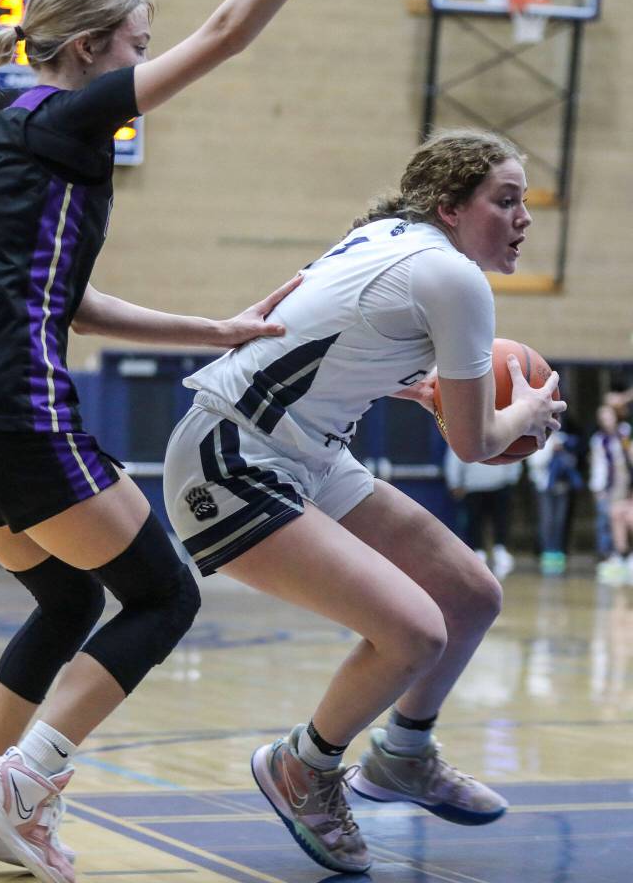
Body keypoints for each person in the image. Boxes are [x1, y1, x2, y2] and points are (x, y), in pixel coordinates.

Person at [0, 0, 427, 882]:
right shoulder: (64, 118)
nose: (144, 62)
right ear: (90, 50)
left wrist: (215, 329)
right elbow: (228, 33)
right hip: (14, 413)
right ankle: (19, 787)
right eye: (137, 46)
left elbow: (70, 301)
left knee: (68, 603)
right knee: (162, 597)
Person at [163, 128, 565, 875]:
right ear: (449, 208)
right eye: (505, 200)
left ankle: (403, 755)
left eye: (524, 202)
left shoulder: (388, 239)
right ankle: (303, 765)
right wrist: (528, 414)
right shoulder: (454, 277)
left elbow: (328, 334)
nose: (523, 218)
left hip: (306, 450)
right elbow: (476, 443)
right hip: (232, 460)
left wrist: (400, 381)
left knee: (469, 595)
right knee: (414, 633)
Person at [443, 449, 520, 578]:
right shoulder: (463, 436)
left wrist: (512, 478)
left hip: (500, 484)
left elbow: (514, 452)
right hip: (473, 486)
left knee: (501, 520)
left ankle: (500, 550)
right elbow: (455, 454)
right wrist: (455, 483)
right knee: (474, 522)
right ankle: (478, 551)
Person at [526, 423, 583, 575]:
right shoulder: (536, 439)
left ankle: (558, 551)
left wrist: (563, 450)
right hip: (544, 487)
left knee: (559, 520)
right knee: (547, 519)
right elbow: (535, 463)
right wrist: (551, 449)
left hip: (562, 487)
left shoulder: (564, 439)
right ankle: (547, 551)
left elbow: (572, 461)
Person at [590, 404, 633, 583]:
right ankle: (617, 556)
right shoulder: (599, 439)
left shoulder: (624, 433)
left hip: (625, 482)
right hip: (610, 485)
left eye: (608, 416)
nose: (606, 420)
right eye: (602, 417)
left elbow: (628, 457)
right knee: (612, 516)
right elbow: (598, 465)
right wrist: (598, 488)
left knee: (628, 518)